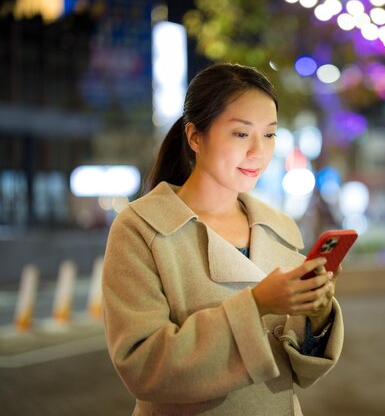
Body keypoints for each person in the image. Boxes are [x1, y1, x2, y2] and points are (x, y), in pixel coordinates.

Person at [102, 63, 344, 416]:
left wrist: (317, 315)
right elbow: (143, 366)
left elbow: (297, 369)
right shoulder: (141, 228)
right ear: (195, 136)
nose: (258, 152)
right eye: (241, 134)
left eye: (270, 134)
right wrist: (256, 304)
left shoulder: (279, 226)